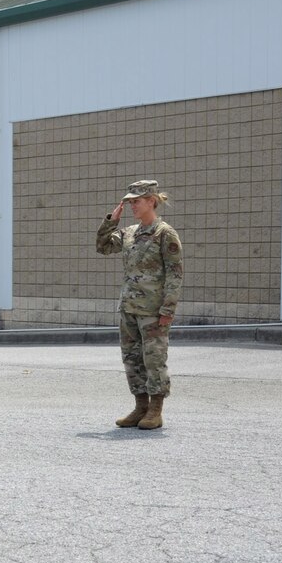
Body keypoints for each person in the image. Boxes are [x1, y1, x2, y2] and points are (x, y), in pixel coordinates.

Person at [96, 179, 184, 430]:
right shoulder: (129, 233)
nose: (132, 205)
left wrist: (168, 309)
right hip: (129, 308)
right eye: (130, 201)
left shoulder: (164, 233)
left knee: (153, 359)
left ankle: (155, 410)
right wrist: (111, 221)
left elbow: (175, 274)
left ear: (151, 201)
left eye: (136, 201)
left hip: (153, 310)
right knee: (132, 359)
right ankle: (140, 407)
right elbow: (103, 247)